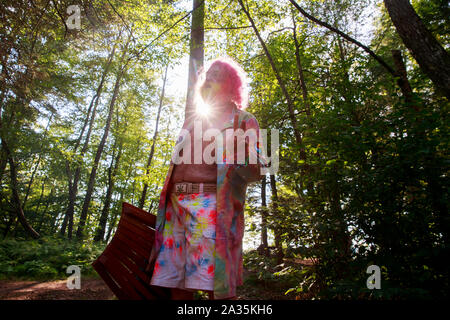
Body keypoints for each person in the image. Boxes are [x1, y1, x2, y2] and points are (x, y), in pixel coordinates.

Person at [148, 57, 267, 300]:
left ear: (230, 84)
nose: (210, 79)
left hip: (212, 206)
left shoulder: (244, 120)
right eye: (208, 75)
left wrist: (236, 151)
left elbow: (260, 167)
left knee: (216, 284)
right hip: (174, 206)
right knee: (175, 282)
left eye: (218, 74)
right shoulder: (192, 120)